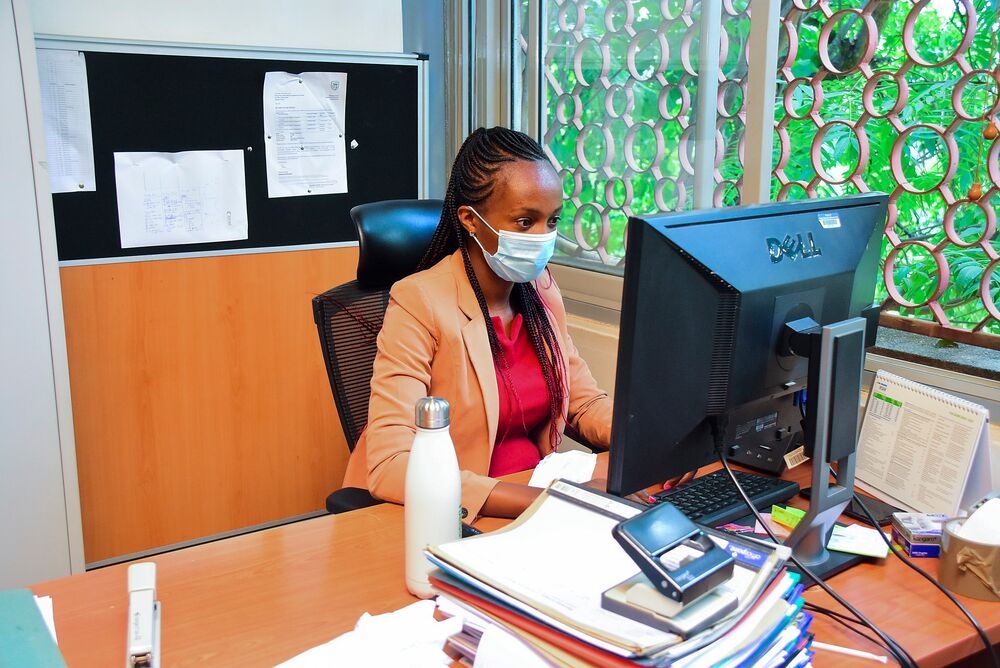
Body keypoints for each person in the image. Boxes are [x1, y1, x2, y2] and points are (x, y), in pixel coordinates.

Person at [340, 126, 613, 520]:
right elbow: (391, 463)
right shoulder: (419, 301)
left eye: (552, 222)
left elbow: (583, 402)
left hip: (532, 499)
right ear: (470, 219)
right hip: (459, 512)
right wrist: (544, 502)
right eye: (524, 222)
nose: (542, 237)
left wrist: (646, 443)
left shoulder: (540, 290)